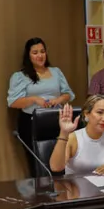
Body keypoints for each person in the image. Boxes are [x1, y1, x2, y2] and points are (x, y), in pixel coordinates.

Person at [7, 37, 75, 177]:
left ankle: (62, 192)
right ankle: (41, 193)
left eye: (42, 51)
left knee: (60, 157)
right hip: (31, 121)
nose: (40, 56)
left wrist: (58, 99)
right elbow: (13, 102)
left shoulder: (56, 72)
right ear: (28, 55)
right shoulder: (20, 76)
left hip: (56, 120)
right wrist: (34, 99)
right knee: (37, 162)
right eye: (35, 52)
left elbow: (69, 94)